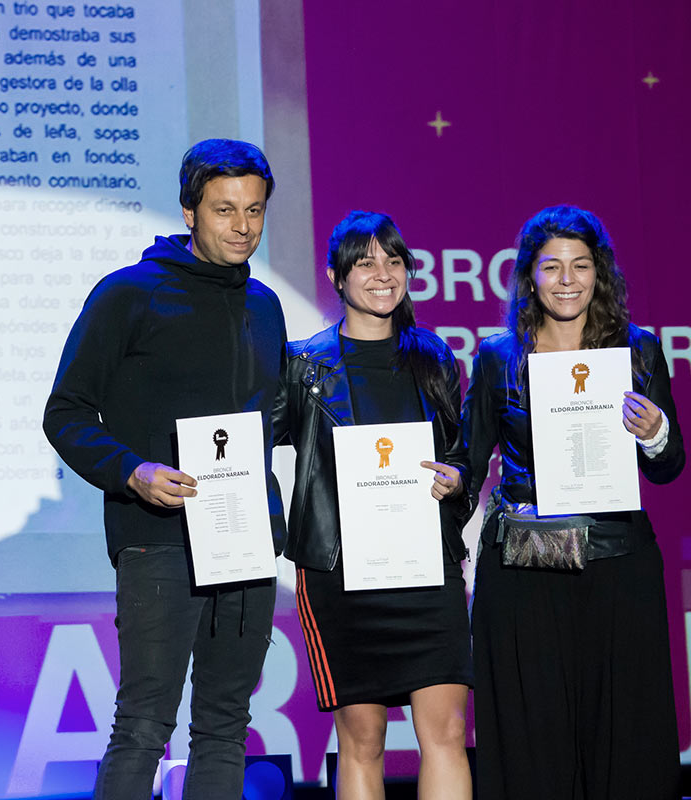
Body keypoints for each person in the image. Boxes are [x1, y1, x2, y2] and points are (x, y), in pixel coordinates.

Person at [43, 138, 287, 800]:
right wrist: (133, 472)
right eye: (224, 210)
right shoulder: (129, 294)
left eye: (255, 210)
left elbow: (272, 417)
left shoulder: (264, 305)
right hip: (158, 539)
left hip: (243, 539)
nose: (242, 227)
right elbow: (65, 413)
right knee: (145, 725)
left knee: (226, 727)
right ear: (188, 212)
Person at [461, 205, 683, 799]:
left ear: (599, 272)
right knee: (535, 746)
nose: (566, 280)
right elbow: (468, 461)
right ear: (529, 275)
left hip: (618, 567)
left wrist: (655, 432)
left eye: (580, 265)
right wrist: (443, 485)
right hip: (526, 572)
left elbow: (668, 466)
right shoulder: (497, 357)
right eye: (552, 266)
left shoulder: (637, 351)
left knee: (625, 741)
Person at [275, 211, 473, 799]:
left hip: (426, 569)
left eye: (394, 261)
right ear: (336, 276)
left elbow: (459, 455)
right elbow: (249, 438)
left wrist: (456, 480)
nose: (383, 274)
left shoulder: (434, 357)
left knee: (448, 732)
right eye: (365, 263)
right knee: (362, 740)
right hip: (341, 575)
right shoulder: (303, 365)